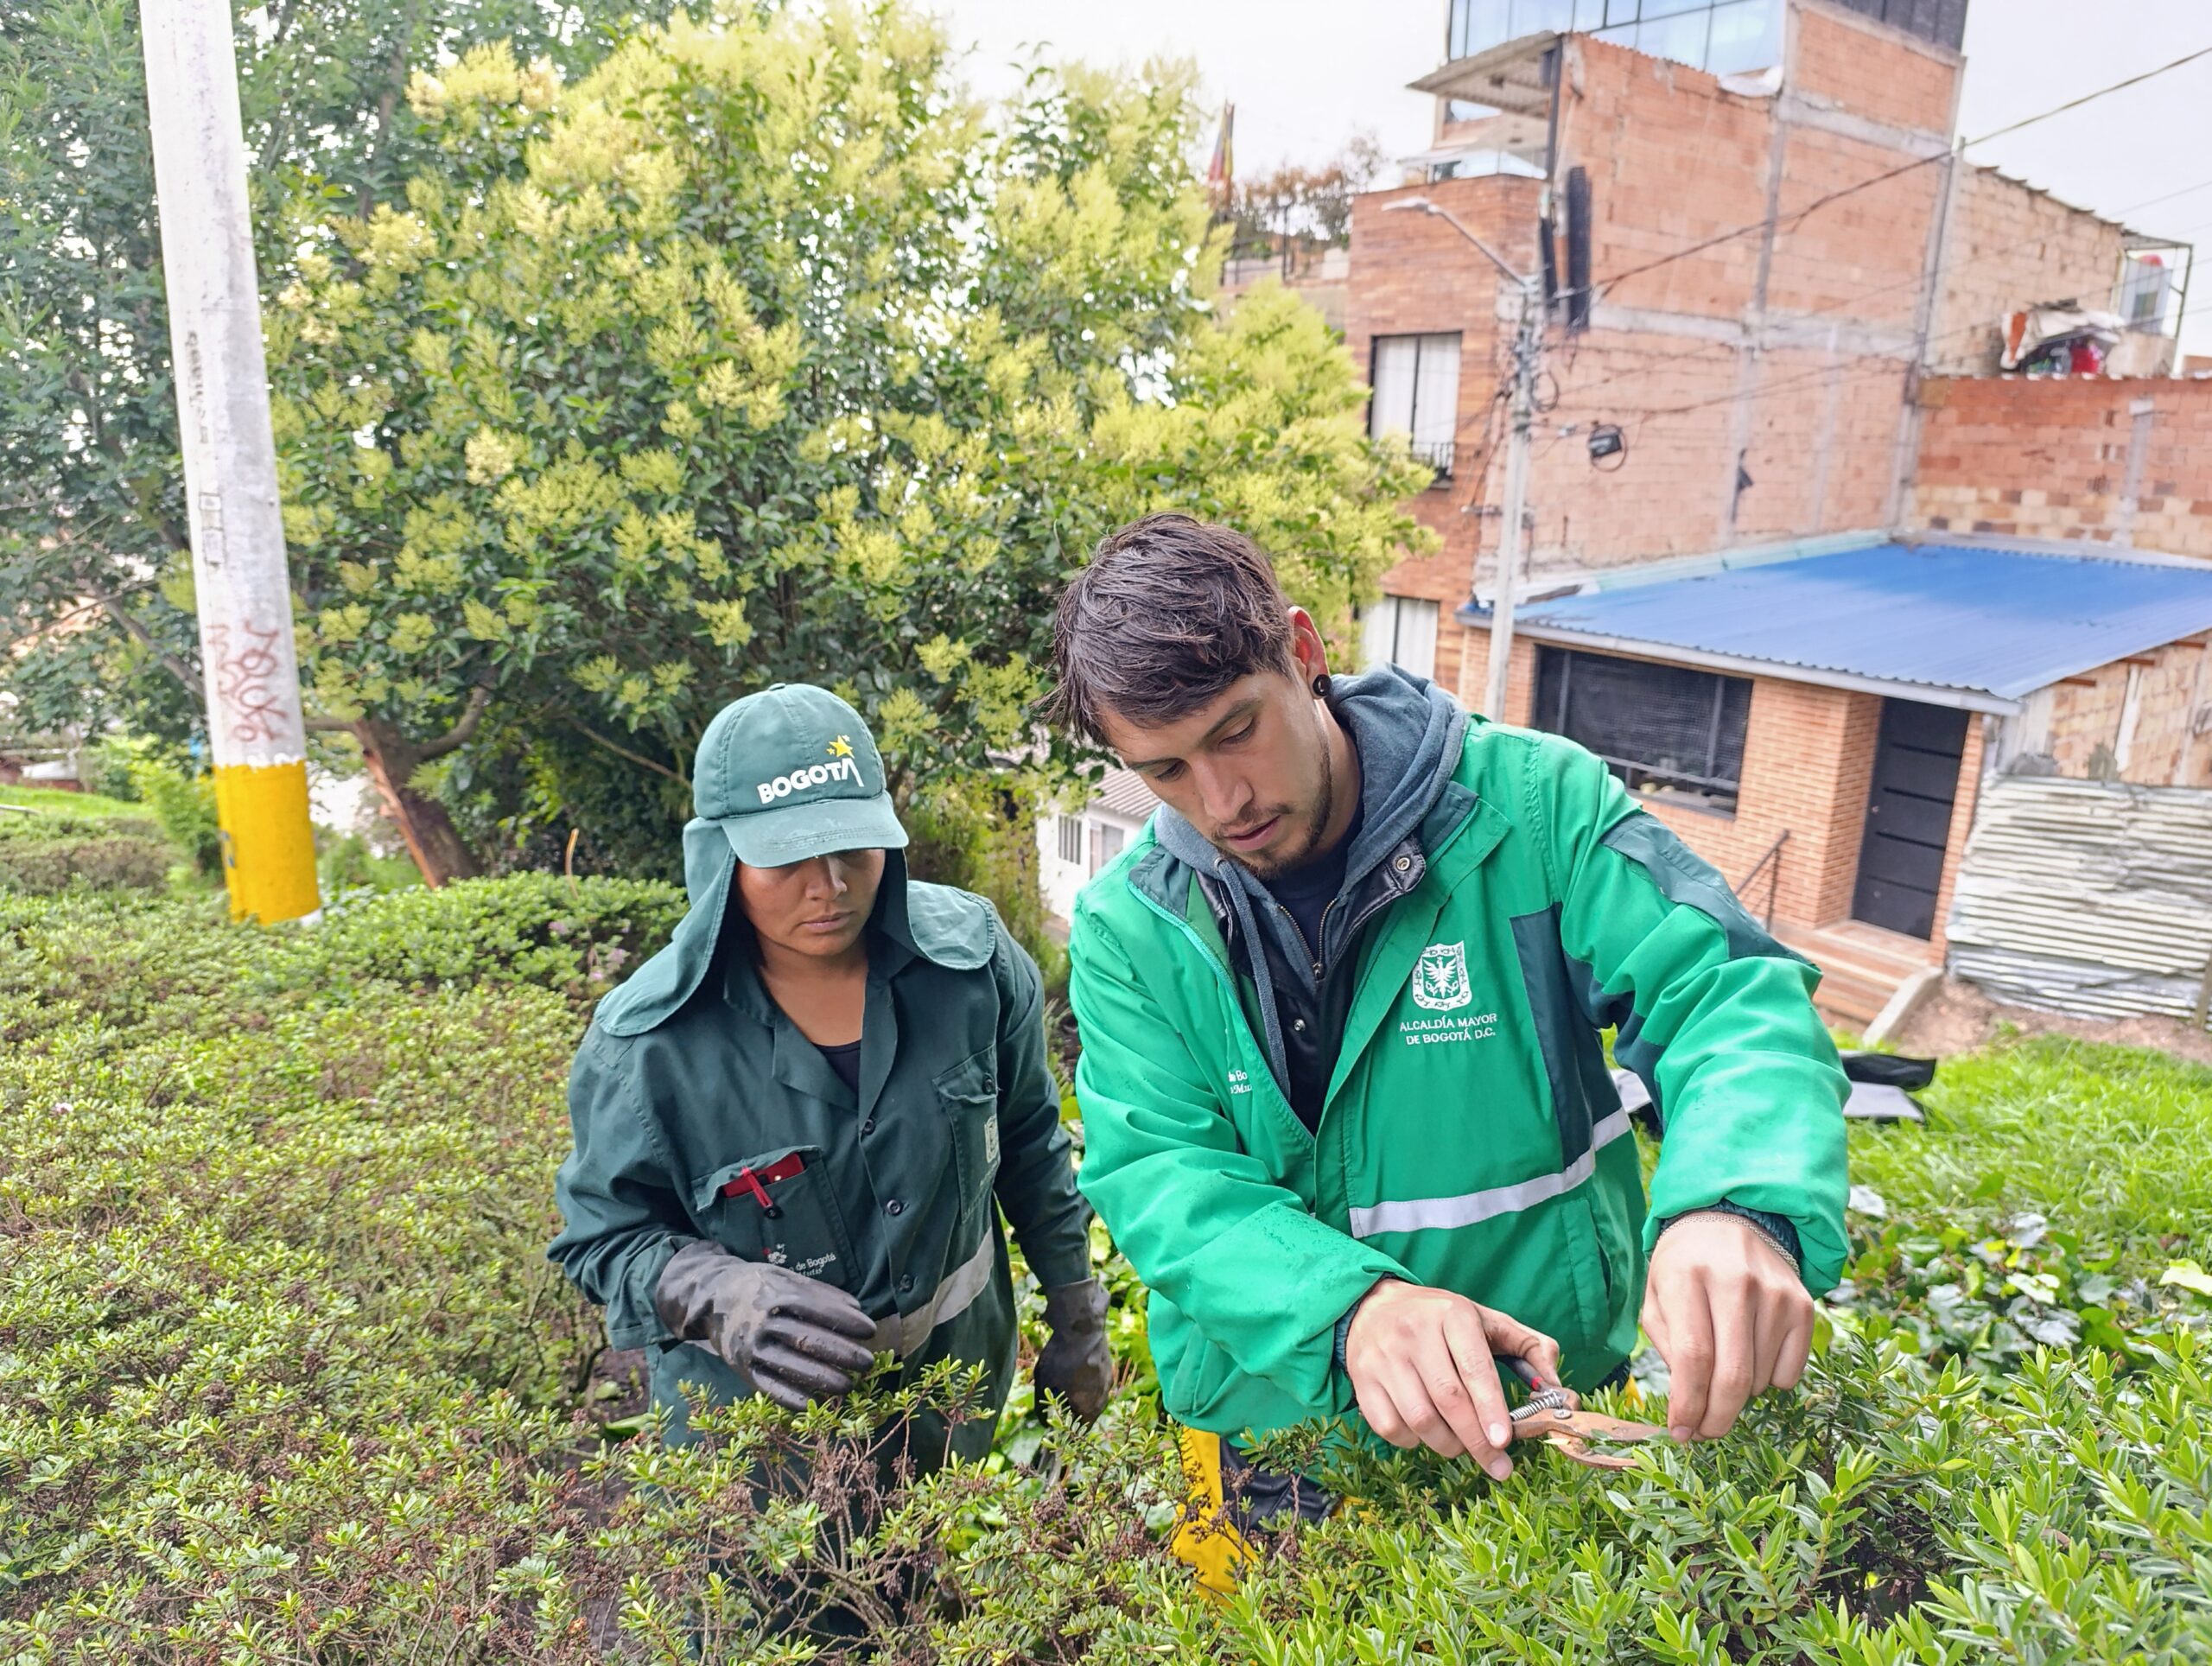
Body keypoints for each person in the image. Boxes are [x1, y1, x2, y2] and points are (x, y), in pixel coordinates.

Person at [1047, 515, 1846, 1554]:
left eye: (1236, 729)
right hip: (1268, 1439)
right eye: (1164, 772)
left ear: (1303, 652)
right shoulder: (1129, 928)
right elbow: (1161, 1171)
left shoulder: (1532, 811)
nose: (1222, 800)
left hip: (1538, 1412)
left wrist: (1738, 1203)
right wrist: (1352, 1308)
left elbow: (1725, 991)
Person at [550, 683, 1109, 1476]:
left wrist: (1077, 1310)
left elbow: (1028, 1145)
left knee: (942, 1597)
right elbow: (603, 1236)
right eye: (787, 859)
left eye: (853, 847)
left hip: (953, 1417)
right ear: (721, 858)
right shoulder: (645, 1049)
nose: (831, 885)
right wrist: (713, 1292)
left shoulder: (973, 968)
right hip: (760, 1460)